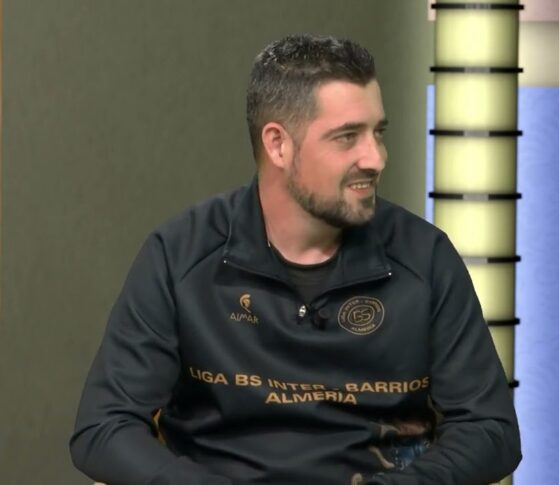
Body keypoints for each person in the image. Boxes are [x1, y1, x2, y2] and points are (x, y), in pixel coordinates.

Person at [70, 34, 521, 485]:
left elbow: (491, 430)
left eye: (378, 133)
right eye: (347, 137)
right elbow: (103, 428)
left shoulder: (425, 259)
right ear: (278, 145)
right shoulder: (181, 255)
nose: (376, 158)